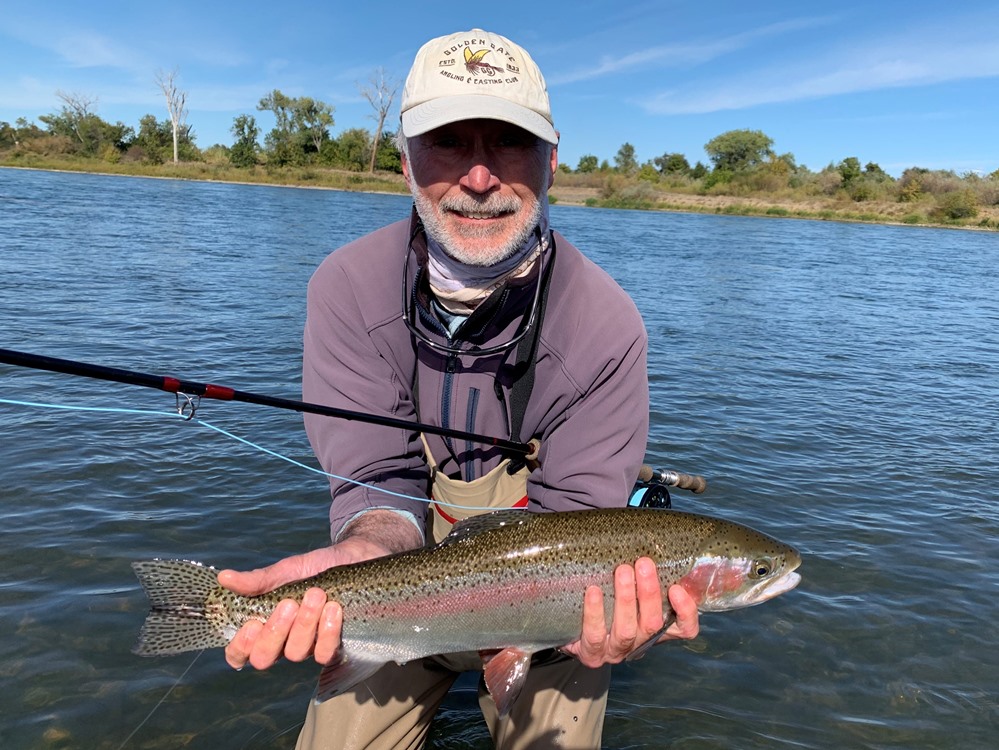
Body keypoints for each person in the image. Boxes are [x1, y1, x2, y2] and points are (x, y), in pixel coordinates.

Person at [218, 28, 699, 750]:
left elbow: (576, 523)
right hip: (397, 574)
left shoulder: (607, 324)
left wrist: (599, 629)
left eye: (507, 143)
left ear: (551, 160)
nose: (479, 178)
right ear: (404, 160)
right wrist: (360, 557)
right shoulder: (346, 286)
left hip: (548, 599)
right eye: (448, 143)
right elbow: (377, 479)